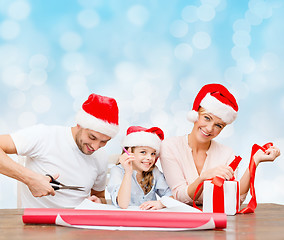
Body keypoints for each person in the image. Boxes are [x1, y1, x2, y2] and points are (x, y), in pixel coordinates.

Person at [160, 83, 281, 206]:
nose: (209, 128)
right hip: (182, 220)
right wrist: (204, 177)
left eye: (218, 125)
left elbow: (235, 199)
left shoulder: (226, 154)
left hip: (216, 220)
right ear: (196, 114)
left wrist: (255, 160)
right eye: (207, 118)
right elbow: (180, 196)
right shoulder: (169, 147)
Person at [0, 93, 119, 208]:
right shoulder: (44, 136)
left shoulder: (101, 156)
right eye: (92, 137)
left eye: (104, 141)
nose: (95, 147)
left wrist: (97, 202)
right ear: (79, 125)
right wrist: (30, 179)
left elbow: (99, 197)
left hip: (78, 225)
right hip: (37, 225)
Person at [107, 126, 172, 210]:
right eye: (143, 152)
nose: (149, 158)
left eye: (153, 153)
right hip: (125, 220)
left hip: (148, 219)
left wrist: (161, 203)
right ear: (129, 151)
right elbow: (123, 204)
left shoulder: (154, 171)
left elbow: (171, 195)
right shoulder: (117, 171)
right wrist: (128, 172)